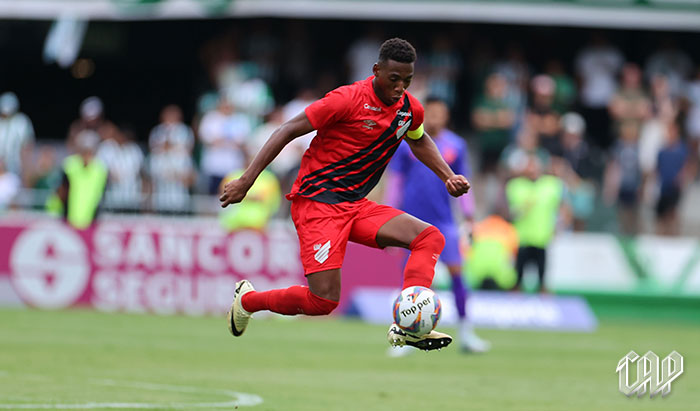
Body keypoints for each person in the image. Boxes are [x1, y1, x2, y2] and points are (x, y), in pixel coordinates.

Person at [219, 38, 471, 351]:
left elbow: (418, 140)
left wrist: (448, 176)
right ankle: (248, 301)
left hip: (355, 205)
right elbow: (287, 130)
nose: (399, 88)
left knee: (429, 238)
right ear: (376, 70)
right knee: (323, 301)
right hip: (317, 204)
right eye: (394, 79)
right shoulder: (347, 99)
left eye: (407, 81)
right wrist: (247, 180)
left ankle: (409, 323)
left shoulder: (408, 109)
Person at [386, 97, 490, 353]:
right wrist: (389, 216)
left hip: (444, 223)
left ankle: (466, 333)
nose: (434, 117)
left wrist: (469, 215)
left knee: (457, 274)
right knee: (412, 282)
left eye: (439, 113)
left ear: (446, 116)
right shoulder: (405, 144)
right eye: (430, 112)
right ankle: (407, 338)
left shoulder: (456, 145)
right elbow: (395, 181)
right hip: (412, 223)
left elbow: (464, 181)